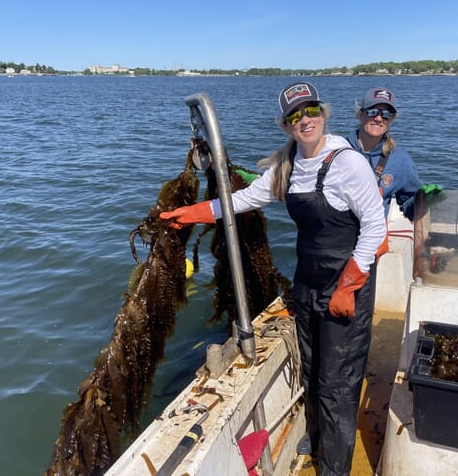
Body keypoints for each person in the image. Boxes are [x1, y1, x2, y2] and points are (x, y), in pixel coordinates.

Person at [160, 82, 387, 475]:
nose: (306, 120)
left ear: (323, 113)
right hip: (308, 284)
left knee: (339, 385)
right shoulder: (289, 163)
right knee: (314, 368)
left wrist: (349, 285)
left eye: (311, 111)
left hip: (346, 286)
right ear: (285, 125)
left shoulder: (348, 162)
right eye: (295, 116)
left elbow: (375, 228)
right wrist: (196, 213)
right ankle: (318, 438)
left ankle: (335, 467)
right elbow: (247, 198)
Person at [346, 87, 429, 221]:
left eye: (386, 114)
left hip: (374, 238)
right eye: (372, 112)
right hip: (336, 237)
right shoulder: (338, 150)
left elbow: (409, 205)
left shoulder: (400, 160)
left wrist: (423, 202)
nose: (378, 118)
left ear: (391, 119)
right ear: (361, 114)